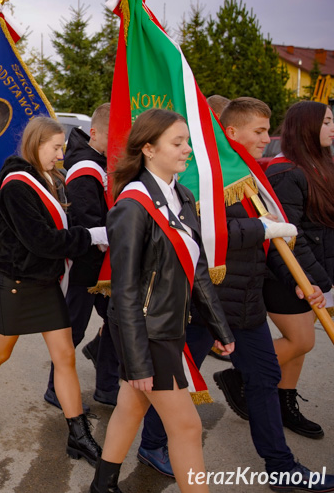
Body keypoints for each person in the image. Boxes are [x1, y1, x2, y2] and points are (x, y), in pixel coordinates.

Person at [133, 96, 334, 493]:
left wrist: (297, 278)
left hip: (248, 302)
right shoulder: (205, 180)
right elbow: (206, 237)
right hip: (207, 304)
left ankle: (281, 468)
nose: (267, 138)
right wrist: (263, 229)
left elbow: (274, 243)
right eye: (258, 132)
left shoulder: (252, 176)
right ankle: (152, 444)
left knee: (264, 376)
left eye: (267, 130)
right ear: (230, 133)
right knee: (178, 379)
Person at [90, 109, 235, 493]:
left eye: (186, 140)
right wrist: (137, 361)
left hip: (169, 327)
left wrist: (219, 326)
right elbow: (124, 291)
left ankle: (102, 485)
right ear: (149, 149)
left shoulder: (181, 194)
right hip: (147, 335)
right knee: (187, 426)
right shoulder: (132, 205)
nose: (188, 149)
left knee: (131, 407)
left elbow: (197, 268)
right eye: (178, 142)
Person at [0, 117, 104, 466]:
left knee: (65, 356)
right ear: (35, 144)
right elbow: (41, 241)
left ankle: (79, 435)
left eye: (62, 148)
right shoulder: (17, 185)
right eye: (55, 148)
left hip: (45, 282)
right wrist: (91, 236)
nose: (60, 154)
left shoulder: (49, 178)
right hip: (17, 283)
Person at [263, 100, 334, 441]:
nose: (332, 128)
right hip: (286, 274)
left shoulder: (320, 165)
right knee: (302, 339)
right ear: (306, 126)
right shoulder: (286, 172)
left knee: (301, 342)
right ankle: (243, 374)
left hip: (308, 273)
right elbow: (291, 234)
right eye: (326, 122)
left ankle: (284, 401)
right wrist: (310, 278)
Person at [44, 103, 120, 410]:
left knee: (118, 323)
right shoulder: (85, 168)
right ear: (95, 132)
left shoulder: (104, 162)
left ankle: (106, 386)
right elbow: (86, 221)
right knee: (72, 328)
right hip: (84, 265)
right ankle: (54, 389)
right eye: (114, 134)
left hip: (105, 266)